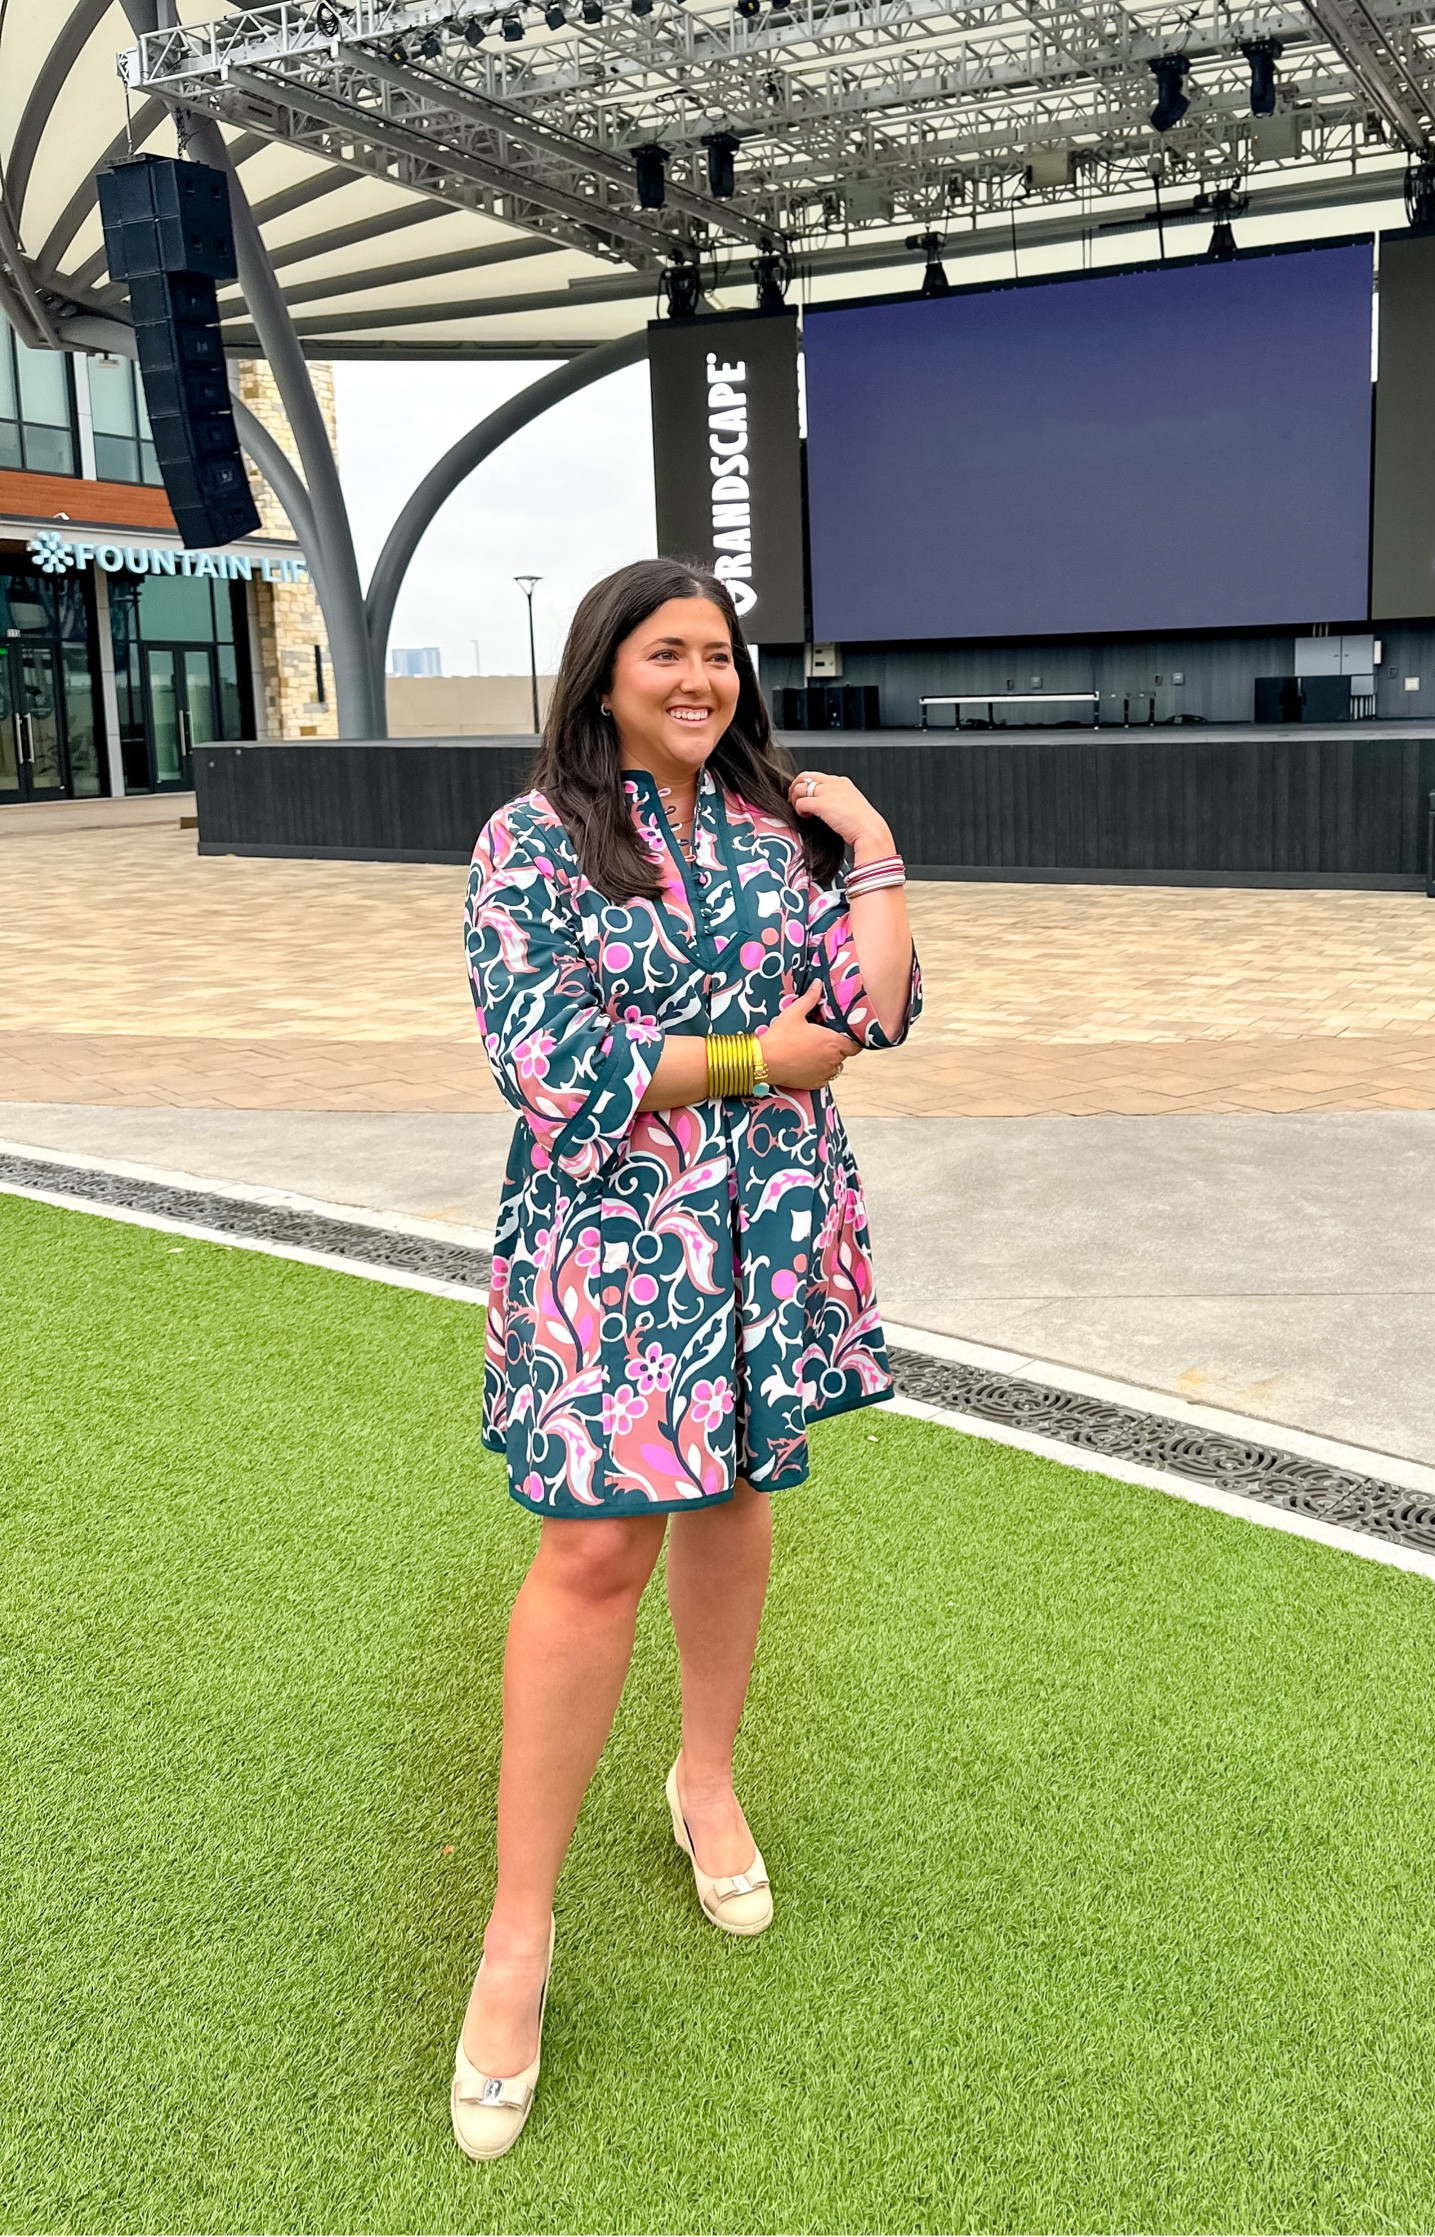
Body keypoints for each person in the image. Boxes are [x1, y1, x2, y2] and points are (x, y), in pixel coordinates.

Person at [454, 556, 919, 2158]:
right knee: (593, 1549)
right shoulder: (530, 841)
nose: (702, 678)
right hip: (610, 1242)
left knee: (731, 1501)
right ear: (604, 670)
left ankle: (703, 1779)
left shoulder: (779, 831)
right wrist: (750, 1057)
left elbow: (866, 1012)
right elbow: (548, 1056)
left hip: (763, 1229)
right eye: (669, 652)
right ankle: (517, 1932)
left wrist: (871, 847)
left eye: (720, 653)